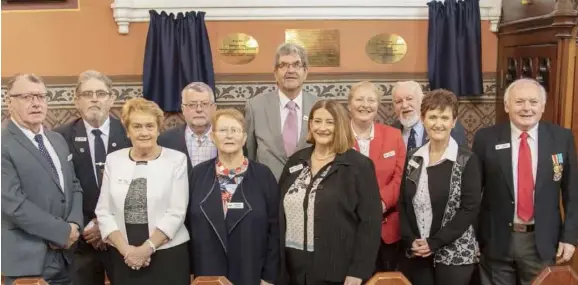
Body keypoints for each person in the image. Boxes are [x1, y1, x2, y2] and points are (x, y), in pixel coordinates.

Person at [472, 78, 578, 285]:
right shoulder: (486, 138)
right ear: (506, 105)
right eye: (519, 102)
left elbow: (573, 192)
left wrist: (570, 237)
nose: (527, 108)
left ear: (543, 106)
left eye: (533, 102)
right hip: (496, 241)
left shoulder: (561, 138)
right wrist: (473, 237)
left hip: (542, 242)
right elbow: (474, 193)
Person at [278, 99, 382, 285]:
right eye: (317, 121)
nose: (322, 128)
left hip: (337, 272)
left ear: (340, 125)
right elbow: (278, 216)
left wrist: (358, 271)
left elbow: (370, 224)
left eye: (329, 122)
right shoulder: (295, 161)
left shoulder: (359, 166)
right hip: (292, 271)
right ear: (310, 124)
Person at [95, 98, 190, 285]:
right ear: (128, 130)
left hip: (167, 253)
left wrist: (147, 249)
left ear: (158, 128)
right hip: (124, 255)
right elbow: (103, 212)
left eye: (149, 126)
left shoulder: (176, 160)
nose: (144, 132)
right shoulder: (114, 160)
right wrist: (128, 252)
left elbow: (176, 212)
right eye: (137, 126)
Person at [2, 73, 83, 285]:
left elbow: (74, 186)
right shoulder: (4, 144)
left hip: (66, 257)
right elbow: (12, 204)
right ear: (9, 101)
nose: (36, 103)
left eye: (41, 96)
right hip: (27, 262)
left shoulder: (56, 139)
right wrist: (62, 232)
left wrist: (74, 225)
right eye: (27, 97)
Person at [54, 70, 131, 285]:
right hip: (82, 240)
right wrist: (89, 225)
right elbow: (62, 188)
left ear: (111, 99)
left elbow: (138, 185)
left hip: (124, 237)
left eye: (101, 93)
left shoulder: (130, 133)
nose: (95, 99)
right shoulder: (60, 137)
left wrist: (106, 225)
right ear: (77, 101)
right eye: (87, 94)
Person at [398, 89, 481, 285]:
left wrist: (433, 243)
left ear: (453, 122)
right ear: (423, 119)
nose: (438, 123)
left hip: (454, 254)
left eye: (444, 118)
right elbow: (403, 202)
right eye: (432, 116)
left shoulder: (466, 159)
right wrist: (411, 239)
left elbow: (469, 209)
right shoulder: (413, 157)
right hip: (418, 252)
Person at [187, 108, 280, 285]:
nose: (229, 136)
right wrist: (190, 272)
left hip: (250, 272)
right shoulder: (198, 175)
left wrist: (269, 277)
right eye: (222, 130)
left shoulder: (263, 175)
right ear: (213, 137)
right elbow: (188, 226)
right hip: (207, 273)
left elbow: (275, 230)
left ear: (244, 138)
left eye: (235, 130)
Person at [347, 81, 406, 272]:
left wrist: (379, 202)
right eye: (360, 99)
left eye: (371, 100)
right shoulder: (337, 138)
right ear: (349, 104)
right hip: (348, 227)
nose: (365, 104)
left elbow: (400, 177)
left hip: (386, 230)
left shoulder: (394, 136)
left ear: (378, 105)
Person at [245, 42, 320, 180]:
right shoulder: (255, 106)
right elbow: (249, 154)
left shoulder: (319, 106)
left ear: (305, 72)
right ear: (275, 72)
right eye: (283, 65)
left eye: (296, 65)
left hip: (309, 189)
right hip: (266, 188)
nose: (290, 70)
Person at [391, 81, 467, 151]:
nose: (404, 105)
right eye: (398, 101)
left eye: (409, 99)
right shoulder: (390, 132)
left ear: (422, 100)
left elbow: (462, 159)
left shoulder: (449, 128)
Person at [158, 81, 217, 170]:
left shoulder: (227, 138)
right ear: (183, 109)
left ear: (214, 108)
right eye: (192, 105)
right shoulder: (165, 141)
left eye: (204, 104)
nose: (199, 109)